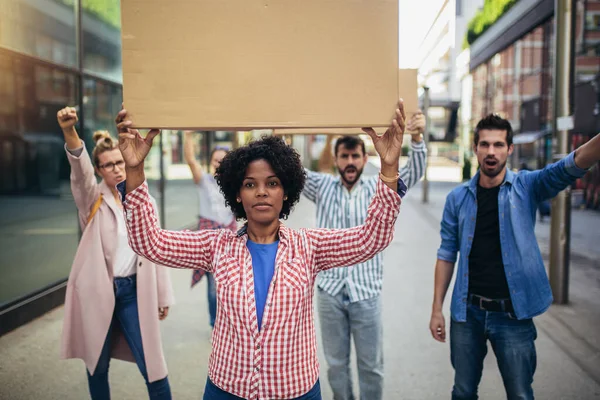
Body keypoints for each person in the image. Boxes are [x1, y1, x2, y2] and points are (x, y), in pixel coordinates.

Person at [114, 101, 407, 400]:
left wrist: (388, 168)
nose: (262, 191)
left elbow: (373, 238)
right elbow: (148, 242)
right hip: (226, 389)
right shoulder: (216, 246)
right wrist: (135, 169)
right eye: (250, 184)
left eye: (273, 183)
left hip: (295, 390)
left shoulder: (310, 246)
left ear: (287, 191)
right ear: (237, 195)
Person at [429, 114, 600, 400]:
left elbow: (572, 164)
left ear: (510, 149)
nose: (491, 152)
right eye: (485, 144)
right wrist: (437, 308)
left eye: (498, 145)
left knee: (520, 394)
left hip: (512, 316)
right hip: (467, 313)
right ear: (475, 148)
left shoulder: (527, 186)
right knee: (462, 392)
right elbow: (447, 254)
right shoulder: (457, 199)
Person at [302, 110, 426, 400]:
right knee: (335, 365)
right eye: (343, 157)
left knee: (371, 367)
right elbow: (291, 169)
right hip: (329, 292)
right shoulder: (321, 187)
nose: (349, 162)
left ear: (364, 158)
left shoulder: (378, 186)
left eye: (354, 156)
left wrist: (417, 137)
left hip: (366, 293)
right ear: (335, 160)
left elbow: (412, 172)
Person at [57, 107, 175, 400]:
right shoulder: (92, 200)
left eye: (120, 162)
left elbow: (156, 248)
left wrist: (163, 294)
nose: (117, 168)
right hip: (98, 292)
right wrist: (70, 131)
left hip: (134, 292)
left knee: (154, 368)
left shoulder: (141, 199)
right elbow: (79, 172)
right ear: (99, 169)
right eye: (108, 165)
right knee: (97, 366)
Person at [183, 131, 236, 329]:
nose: (218, 164)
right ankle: (216, 325)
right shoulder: (204, 181)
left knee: (232, 283)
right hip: (210, 240)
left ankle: (231, 322)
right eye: (216, 160)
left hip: (231, 240)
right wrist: (188, 137)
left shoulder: (235, 185)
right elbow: (190, 160)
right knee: (214, 286)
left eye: (223, 161)